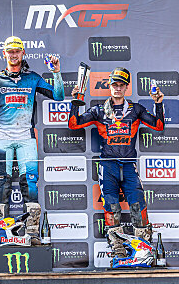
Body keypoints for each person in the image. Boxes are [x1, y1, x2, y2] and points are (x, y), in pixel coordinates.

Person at [0, 36, 64, 240]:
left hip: (26, 138)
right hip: (3, 139)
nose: (13, 55)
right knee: (1, 184)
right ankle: (0, 233)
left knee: (30, 183)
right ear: (4, 54)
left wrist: (56, 72)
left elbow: (58, 96)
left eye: (17, 51)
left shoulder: (33, 78)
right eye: (10, 51)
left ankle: (32, 233)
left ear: (23, 53)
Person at [69, 67, 164, 257]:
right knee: (111, 207)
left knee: (138, 205)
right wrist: (76, 101)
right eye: (115, 85)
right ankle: (118, 251)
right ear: (110, 86)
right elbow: (73, 124)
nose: (118, 88)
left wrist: (158, 104)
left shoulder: (136, 109)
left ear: (127, 87)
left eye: (122, 85)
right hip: (108, 166)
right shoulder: (99, 111)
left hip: (128, 165)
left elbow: (159, 126)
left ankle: (144, 250)